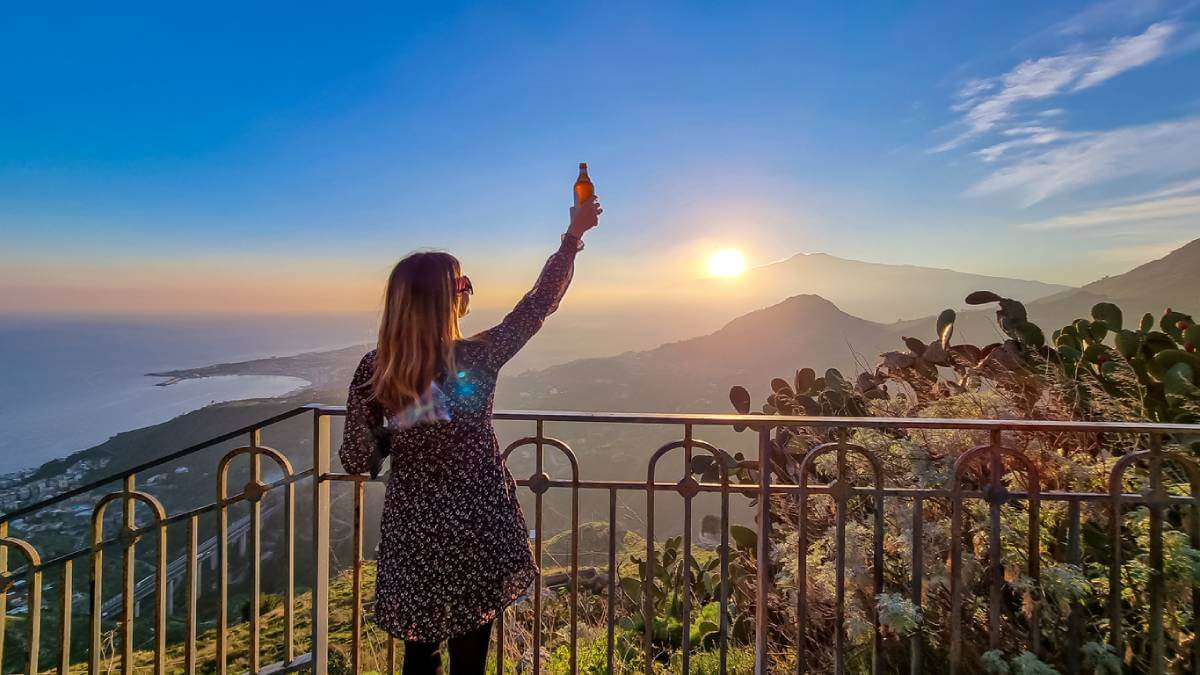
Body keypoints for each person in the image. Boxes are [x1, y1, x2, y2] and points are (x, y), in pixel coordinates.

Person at [338, 195, 602, 674]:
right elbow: (537, 306)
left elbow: (355, 459)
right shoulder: (476, 357)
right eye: (462, 283)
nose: (468, 290)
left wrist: (392, 435)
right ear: (449, 298)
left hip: (414, 527)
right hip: (478, 523)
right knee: (470, 651)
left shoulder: (374, 370)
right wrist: (573, 238)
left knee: (420, 650)